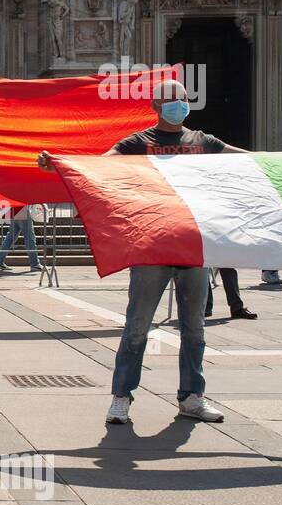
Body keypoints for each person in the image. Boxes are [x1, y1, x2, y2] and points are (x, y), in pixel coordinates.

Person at [39, 80, 230, 426]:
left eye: (183, 99)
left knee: (195, 329)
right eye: (171, 100)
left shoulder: (204, 142)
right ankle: (121, 398)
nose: (178, 104)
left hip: (194, 246)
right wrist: (58, 163)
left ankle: (192, 397)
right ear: (156, 107)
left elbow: (255, 161)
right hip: (152, 246)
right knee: (137, 328)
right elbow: (97, 167)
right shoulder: (138, 144)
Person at [0, 206, 43, 273]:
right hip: (23, 210)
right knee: (29, 238)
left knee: (10, 237)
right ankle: (35, 264)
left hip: (15, 210)